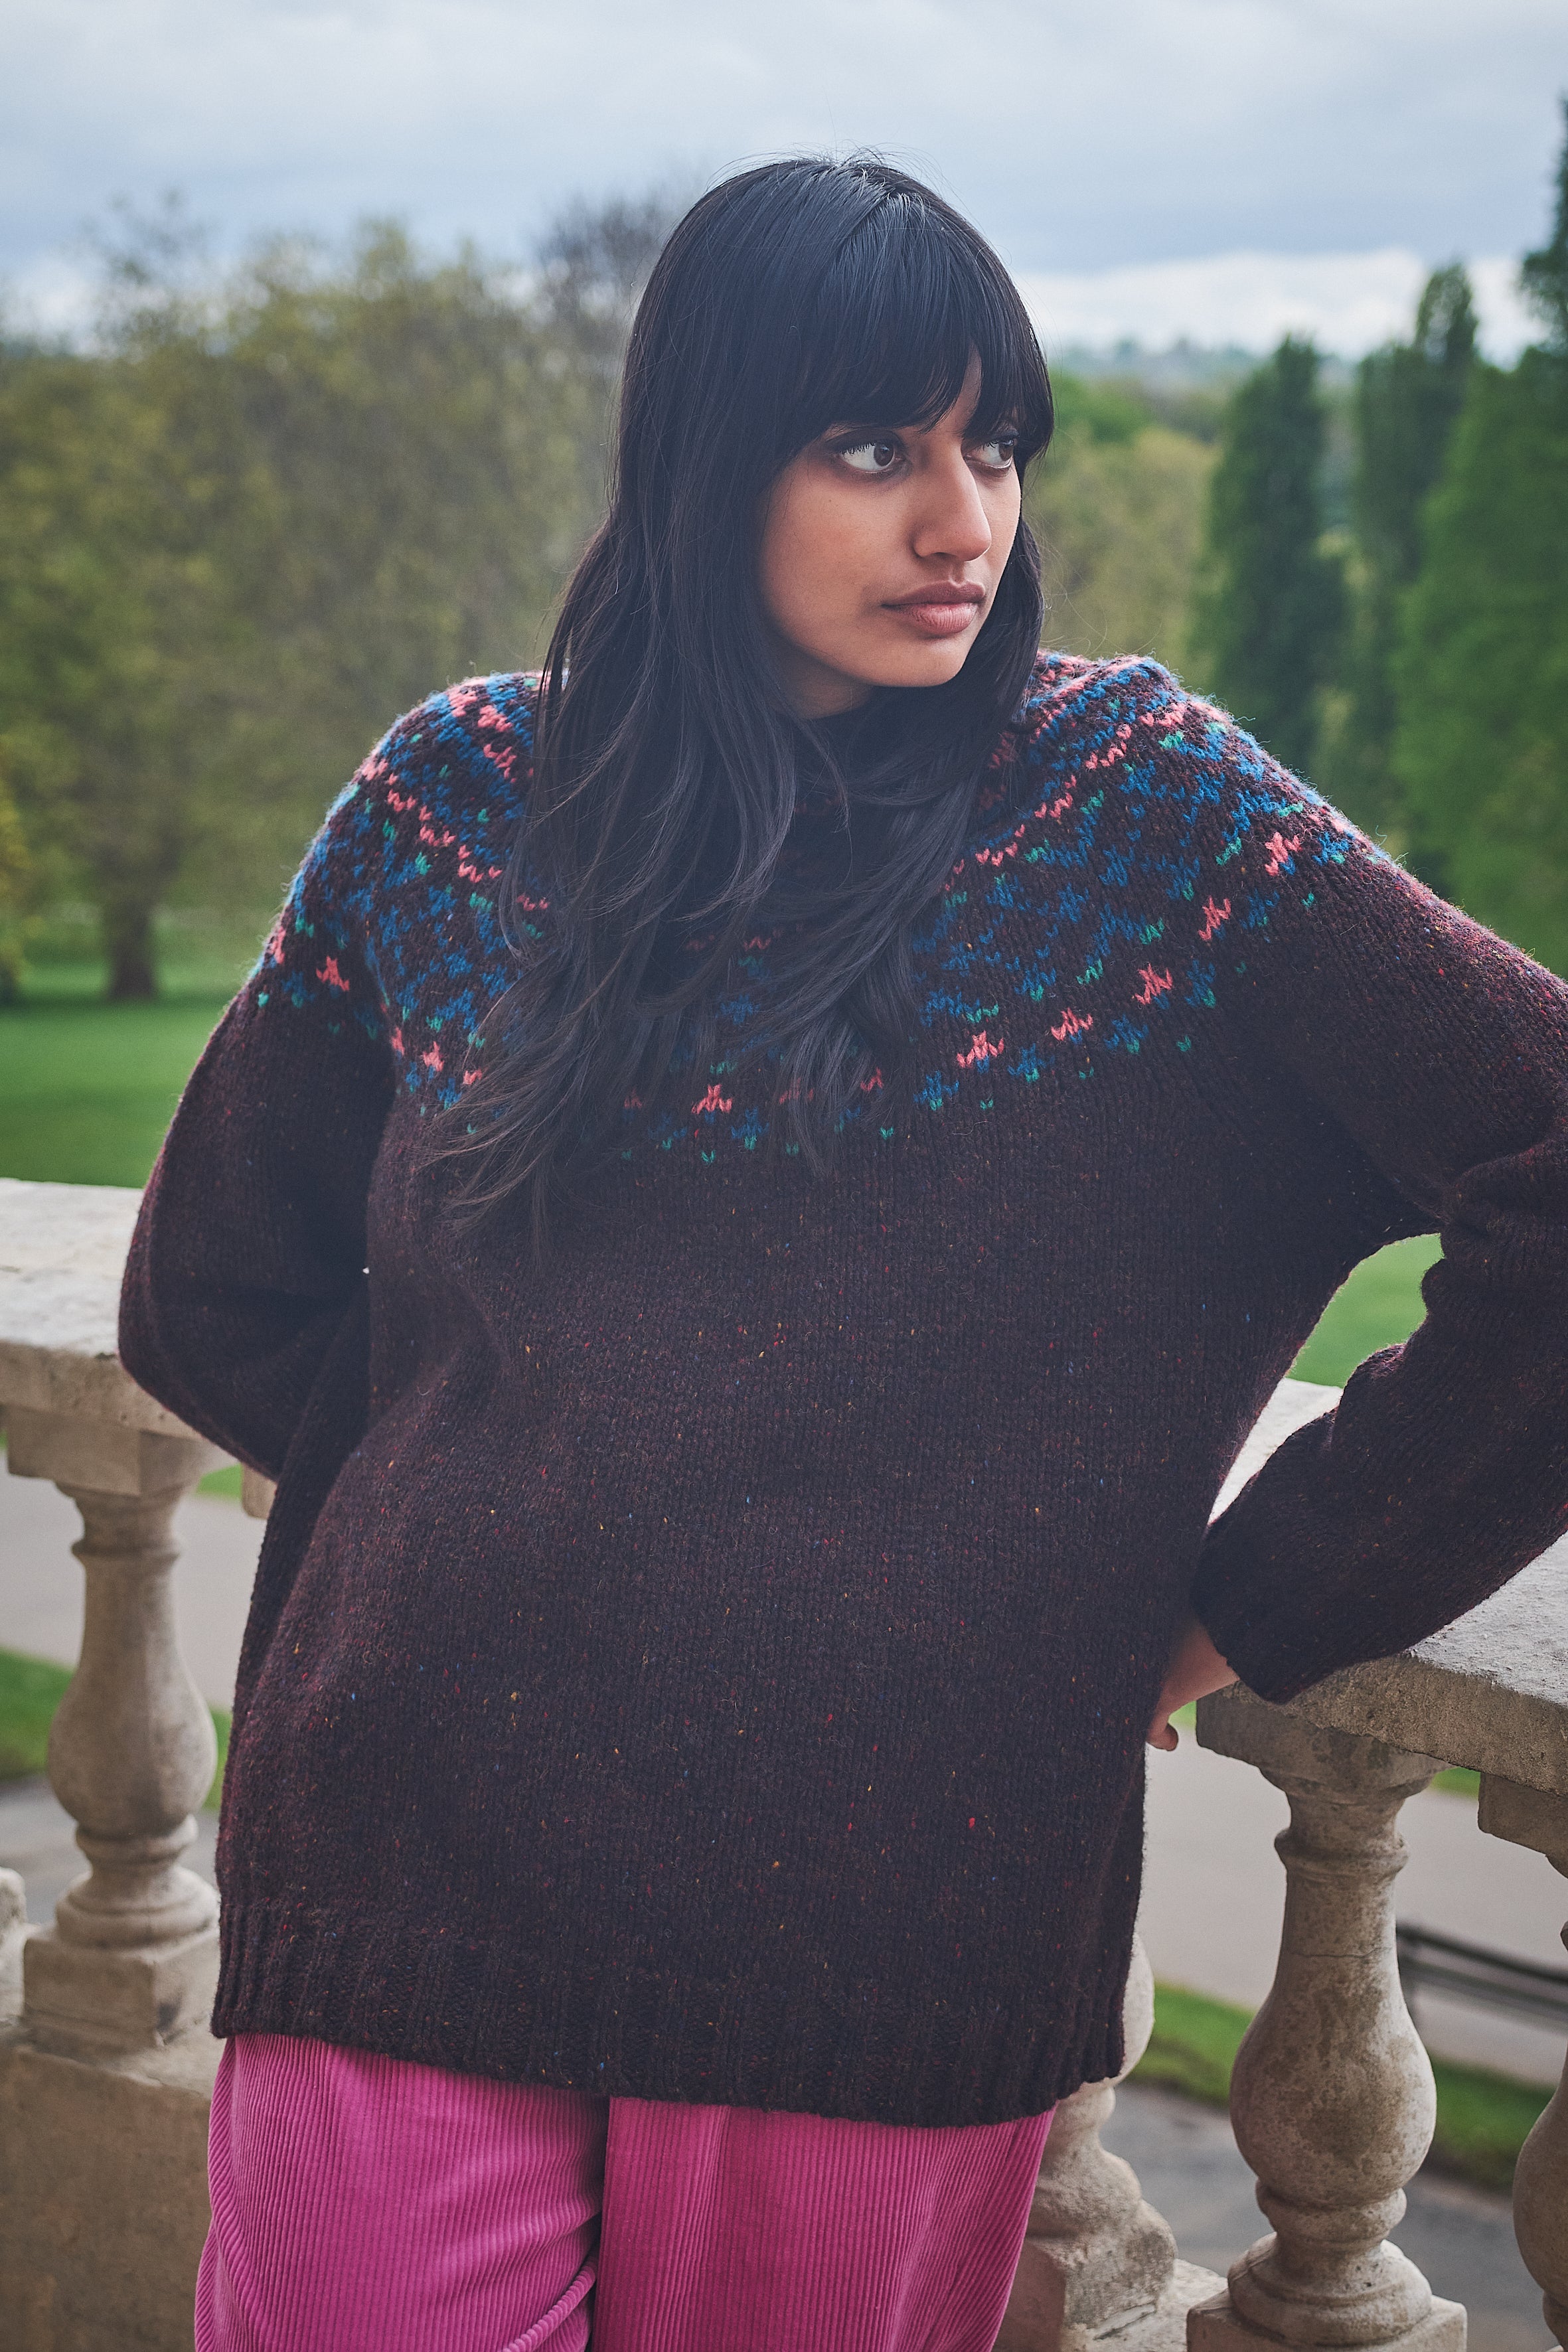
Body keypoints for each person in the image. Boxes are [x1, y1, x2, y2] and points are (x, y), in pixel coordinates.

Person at [119, 157, 1568, 2352]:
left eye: (994, 445)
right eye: (873, 444)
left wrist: (1238, 1604)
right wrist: (496, 1482)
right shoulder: (455, 805)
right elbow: (210, 1286)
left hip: (887, 1897)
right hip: (408, 1846)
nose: (958, 517)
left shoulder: (1136, 815)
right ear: (705, 456)